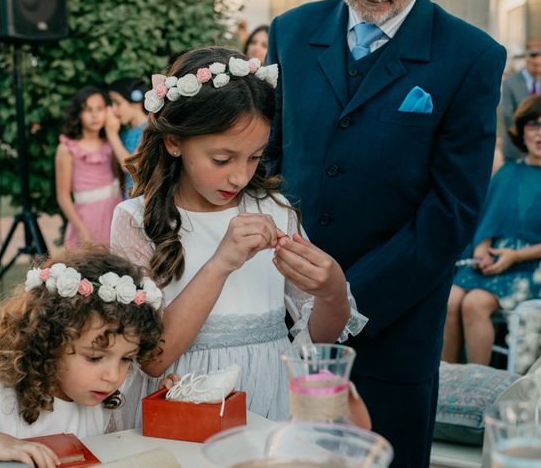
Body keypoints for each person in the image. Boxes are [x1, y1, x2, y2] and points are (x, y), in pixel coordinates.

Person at [265, 0, 506, 466]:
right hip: (281, 311)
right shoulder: (290, 31)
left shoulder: (472, 54)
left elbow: (453, 208)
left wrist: (346, 300)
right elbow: (267, 156)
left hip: (395, 322)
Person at [111, 46, 368, 426]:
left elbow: (316, 342)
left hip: (270, 399)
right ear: (174, 142)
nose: (240, 177)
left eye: (254, 157)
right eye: (222, 159)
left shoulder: (274, 210)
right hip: (182, 403)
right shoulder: (137, 221)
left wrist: (331, 290)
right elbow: (152, 358)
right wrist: (220, 263)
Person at [0, 245, 167, 467]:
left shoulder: (101, 401)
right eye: (95, 357)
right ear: (50, 339)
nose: (113, 376)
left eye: (126, 359)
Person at [443, 95, 541, 365]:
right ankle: (446, 378)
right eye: (534, 125)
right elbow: (486, 220)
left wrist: (515, 256)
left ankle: (479, 382)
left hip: (531, 264)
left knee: (475, 304)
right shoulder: (508, 171)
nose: (539, 133)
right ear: (522, 130)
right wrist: (482, 250)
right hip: (494, 257)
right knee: (449, 300)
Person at [56, 86, 123, 248]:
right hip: (87, 218)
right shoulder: (67, 148)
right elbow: (63, 196)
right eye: (88, 110)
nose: (95, 116)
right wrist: (80, 228)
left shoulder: (111, 143)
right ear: (78, 114)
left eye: (99, 109)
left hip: (114, 212)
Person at [106, 78, 149, 198]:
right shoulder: (125, 133)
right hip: (129, 198)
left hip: (145, 202)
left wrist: (112, 134)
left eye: (117, 103)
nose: (113, 109)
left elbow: (131, 166)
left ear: (136, 100)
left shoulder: (150, 129)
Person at [500, 44, 541, 161]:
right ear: (527, 62)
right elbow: (507, 114)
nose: (539, 69)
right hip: (516, 148)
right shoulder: (511, 82)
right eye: (536, 66)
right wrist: (526, 135)